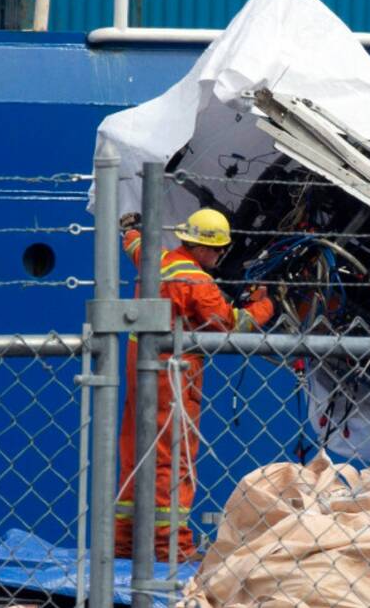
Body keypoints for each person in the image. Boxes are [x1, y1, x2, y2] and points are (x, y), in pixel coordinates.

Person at [114, 208, 275, 561]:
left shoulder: (157, 258)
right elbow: (231, 326)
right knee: (173, 461)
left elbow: (135, 244)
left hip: (138, 364)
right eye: (217, 250)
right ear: (202, 247)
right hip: (172, 374)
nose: (220, 257)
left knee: (134, 455)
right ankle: (173, 547)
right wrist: (264, 305)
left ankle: (123, 545)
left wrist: (130, 229)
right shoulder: (197, 282)